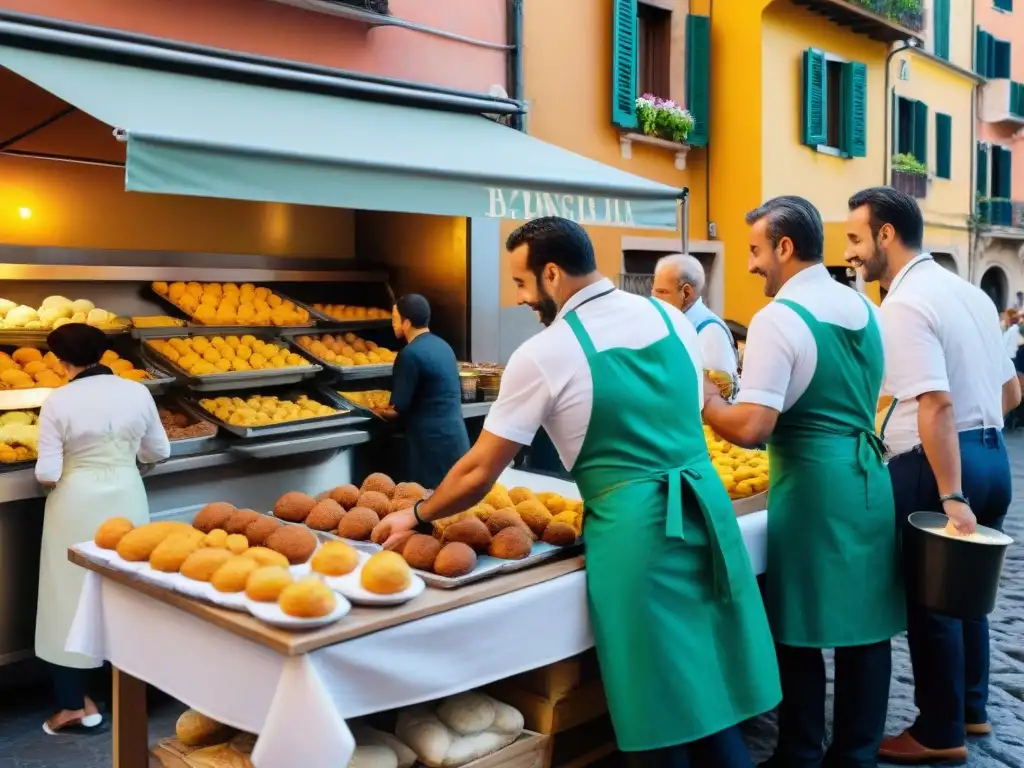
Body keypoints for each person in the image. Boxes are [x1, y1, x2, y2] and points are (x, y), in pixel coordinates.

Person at [374, 217, 780, 767]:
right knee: (710, 696)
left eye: (520, 283)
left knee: (658, 707)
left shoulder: (545, 352)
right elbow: (696, 404)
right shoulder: (671, 317)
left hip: (637, 535)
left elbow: (477, 472)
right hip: (707, 509)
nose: (519, 298)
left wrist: (418, 513)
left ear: (551, 274)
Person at [702, 196, 905, 768]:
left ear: (784, 248)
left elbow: (752, 427)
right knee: (867, 633)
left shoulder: (778, 318)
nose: (750, 264)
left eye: (755, 250)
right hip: (868, 478)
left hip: (813, 486)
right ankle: (856, 754)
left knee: (797, 629)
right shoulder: (864, 306)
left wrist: (710, 401)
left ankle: (798, 752)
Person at [844, 187, 1021, 764]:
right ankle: (971, 710)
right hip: (994, 455)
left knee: (932, 603)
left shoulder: (905, 302)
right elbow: (1012, 389)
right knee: (968, 597)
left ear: (886, 235)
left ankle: (940, 732)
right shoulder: (969, 294)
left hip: (939, 466)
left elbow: (936, 404)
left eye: (855, 238)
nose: (852, 253)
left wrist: (950, 492)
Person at [34, 323, 170, 734]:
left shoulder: (58, 401)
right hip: (127, 498)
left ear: (61, 361)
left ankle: (75, 705)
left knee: (68, 600)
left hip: (75, 504)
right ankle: (128, 693)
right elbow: (159, 451)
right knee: (126, 592)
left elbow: (47, 472)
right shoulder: (137, 391)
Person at [373, 294, 469, 488]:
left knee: (427, 505)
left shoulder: (409, 355)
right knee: (454, 508)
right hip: (456, 440)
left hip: (429, 447)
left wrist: (371, 410)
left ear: (406, 323)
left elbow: (396, 410)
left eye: (394, 318)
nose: (392, 323)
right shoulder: (444, 346)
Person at [652, 253, 739, 391]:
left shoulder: (710, 332)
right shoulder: (672, 324)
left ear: (686, 293)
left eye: (662, 292)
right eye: (654, 291)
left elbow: (719, 399)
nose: (654, 298)